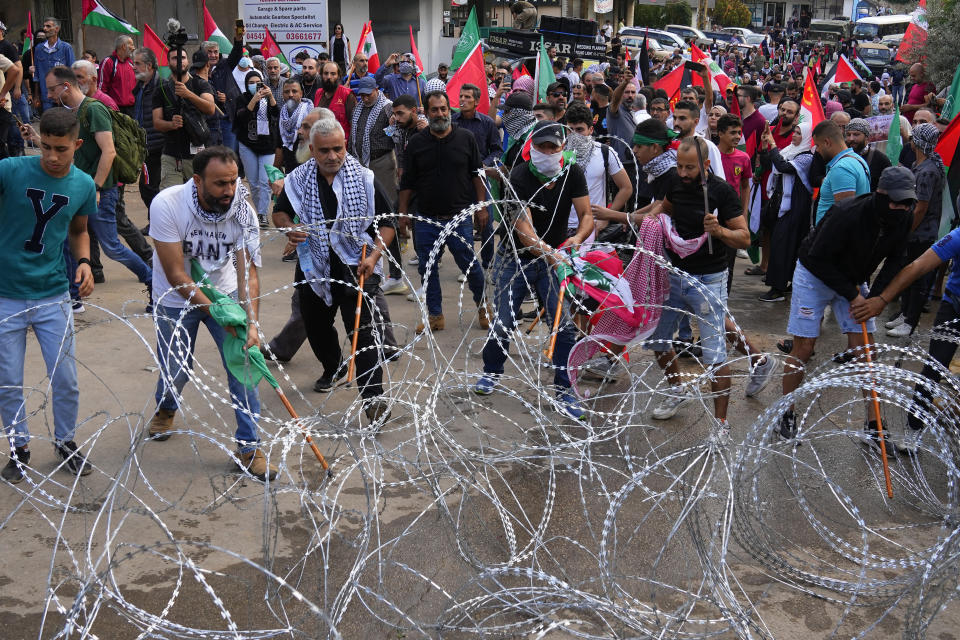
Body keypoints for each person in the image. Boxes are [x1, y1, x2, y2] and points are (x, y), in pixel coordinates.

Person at [146, 146, 276, 481]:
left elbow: (249, 273)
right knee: (176, 368)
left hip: (225, 291)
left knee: (244, 363)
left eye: (233, 182)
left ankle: (249, 448)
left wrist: (250, 324)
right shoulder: (168, 204)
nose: (229, 191)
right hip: (176, 298)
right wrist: (218, 312)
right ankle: (167, 405)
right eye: (220, 184)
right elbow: (176, 274)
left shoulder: (242, 212)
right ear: (197, 180)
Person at [778, 167, 916, 449]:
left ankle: (874, 425)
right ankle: (785, 413)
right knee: (804, 347)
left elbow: (895, 261)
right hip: (814, 274)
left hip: (853, 280)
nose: (901, 208)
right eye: (896, 202)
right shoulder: (847, 214)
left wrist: (877, 299)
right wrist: (853, 296)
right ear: (880, 194)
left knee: (866, 350)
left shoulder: (903, 217)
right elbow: (818, 259)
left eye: (907, 202)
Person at [271, 118, 392, 423]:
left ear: (344, 146)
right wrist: (290, 228)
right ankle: (334, 364)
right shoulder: (299, 178)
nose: (332, 156)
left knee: (363, 334)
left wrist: (374, 256)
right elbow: (279, 212)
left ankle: (374, 398)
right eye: (324, 150)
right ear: (312, 150)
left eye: (338, 149)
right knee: (315, 326)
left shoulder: (363, 178)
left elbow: (388, 224)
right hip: (314, 266)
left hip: (356, 265)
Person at [0, 108, 97, 484]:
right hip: (6, 292)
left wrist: (85, 261)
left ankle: (66, 440)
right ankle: (19, 447)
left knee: (66, 377)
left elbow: (79, 230)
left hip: (52, 293)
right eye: (46, 148)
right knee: (8, 379)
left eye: (61, 149)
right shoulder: (10, 170)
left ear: (77, 145)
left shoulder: (83, 184)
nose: (53, 157)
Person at [474, 121, 591, 419]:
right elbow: (524, 230)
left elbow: (587, 214)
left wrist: (575, 241)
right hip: (515, 257)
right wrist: (553, 255)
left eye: (553, 147)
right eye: (542, 147)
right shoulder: (520, 176)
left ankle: (565, 390)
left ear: (562, 148)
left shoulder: (572, 174)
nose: (548, 152)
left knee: (563, 326)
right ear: (532, 148)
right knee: (503, 320)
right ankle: (492, 370)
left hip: (556, 259)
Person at [644, 137, 751, 445]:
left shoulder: (721, 192)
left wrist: (719, 231)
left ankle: (721, 424)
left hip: (709, 278)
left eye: (690, 167)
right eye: (679, 166)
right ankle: (678, 390)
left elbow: (744, 239)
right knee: (659, 341)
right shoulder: (675, 184)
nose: (684, 172)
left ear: (705, 165)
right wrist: (648, 222)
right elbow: (662, 209)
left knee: (715, 354)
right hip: (674, 275)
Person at [46, 66, 153, 298]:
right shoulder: (73, 111)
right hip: (80, 189)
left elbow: (109, 151)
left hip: (100, 191)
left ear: (66, 86)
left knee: (112, 247)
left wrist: (95, 187)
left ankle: (152, 279)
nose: (48, 95)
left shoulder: (94, 109)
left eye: (52, 89)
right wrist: (35, 138)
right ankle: (72, 293)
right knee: (67, 239)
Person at [398, 91, 490, 333]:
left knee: (470, 266)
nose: (439, 114)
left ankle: (483, 308)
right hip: (426, 218)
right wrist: (403, 212)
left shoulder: (466, 138)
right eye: (434, 110)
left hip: (459, 218)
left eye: (443, 109)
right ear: (426, 113)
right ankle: (435, 315)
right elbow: (407, 181)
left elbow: (477, 175)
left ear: (450, 110)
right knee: (427, 270)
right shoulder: (416, 143)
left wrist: (481, 207)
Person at [885, 123, 945, 338]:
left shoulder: (928, 171)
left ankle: (910, 322)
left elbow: (921, 207)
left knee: (917, 278)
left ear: (916, 143)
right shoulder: (921, 165)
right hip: (917, 231)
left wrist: (907, 230)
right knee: (907, 274)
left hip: (921, 233)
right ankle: (905, 313)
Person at [757, 121, 813, 302]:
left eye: (798, 133)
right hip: (782, 205)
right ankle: (782, 284)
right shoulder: (789, 150)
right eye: (794, 132)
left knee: (783, 246)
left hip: (796, 208)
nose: (795, 135)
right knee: (782, 245)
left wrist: (773, 144)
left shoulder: (806, 157)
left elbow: (783, 167)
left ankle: (777, 289)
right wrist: (765, 145)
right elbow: (770, 163)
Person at [153, 47, 217, 189]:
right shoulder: (161, 89)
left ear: (188, 61)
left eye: (182, 58)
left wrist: (188, 94)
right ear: (168, 62)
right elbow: (157, 122)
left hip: (197, 155)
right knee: (170, 198)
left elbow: (210, 108)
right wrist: (171, 124)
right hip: (171, 155)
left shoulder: (200, 84)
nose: (179, 61)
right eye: (175, 58)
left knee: (201, 198)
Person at [234, 70, 279, 227]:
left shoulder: (268, 99)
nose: (254, 86)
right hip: (248, 145)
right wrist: (254, 100)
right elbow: (241, 118)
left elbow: (277, 113)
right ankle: (259, 210)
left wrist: (271, 97)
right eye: (251, 83)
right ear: (246, 85)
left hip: (267, 146)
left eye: (257, 82)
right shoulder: (242, 99)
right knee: (253, 182)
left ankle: (262, 213)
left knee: (264, 182)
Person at [813, 119, 870, 224]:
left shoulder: (842, 168)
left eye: (817, 145)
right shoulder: (856, 158)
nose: (817, 150)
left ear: (827, 142)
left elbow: (844, 215)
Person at [350, 77, 394, 203]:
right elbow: (354, 135)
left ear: (376, 90)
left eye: (368, 95)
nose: (365, 99)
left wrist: (392, 126)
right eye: (362, 95)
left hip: (382, 162)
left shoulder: (388, 107)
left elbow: (395, 133)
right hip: (361, 162)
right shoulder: (358, 108)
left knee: (386, 198)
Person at [203, 29, 245, 153]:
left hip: (226, 120)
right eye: (209, 52)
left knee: (228, 156)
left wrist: (238, 39)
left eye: (216, 52)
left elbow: (237, 54)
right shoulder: (195, 72)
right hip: (207, 122)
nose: (213, 55)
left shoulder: (224, 66)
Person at [133, 47, 164, 211]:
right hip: (143, 145)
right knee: (147, 187)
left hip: (157, 146)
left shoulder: (161, 86)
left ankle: (157, 221)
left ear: (149, 65)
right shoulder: (140, 87)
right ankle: (155, 219)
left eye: (138, 63)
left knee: (150, 187)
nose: (134, 67)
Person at [33, 18, 74, 111]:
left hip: (63, 96)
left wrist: (71, 94)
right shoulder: (39, 49)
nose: (45, 29)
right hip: (46, 96)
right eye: (44, 26)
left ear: (57, 29)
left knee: (64, 123)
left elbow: (72, 72)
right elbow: (36, 75)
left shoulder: (66, 48)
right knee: (50, 123)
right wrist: (36, 95)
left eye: (48, 26)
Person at [276, 79, 313, 173]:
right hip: (289, 168)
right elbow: (280, 145)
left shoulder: (310, 114)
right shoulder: (282, 115)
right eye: (287, 92)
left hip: (307, 168)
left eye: (294, 91)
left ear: (301, 94)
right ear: (282, 95)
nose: (290, 95)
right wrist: (275, 169)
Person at [845, 118, 891, 193]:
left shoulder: (880, 159)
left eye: (856, 134)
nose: (851, 138)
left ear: (867, 137)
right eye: (848, 134)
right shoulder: (843, 157)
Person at [314, 61, 356, 142]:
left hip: (340, 144)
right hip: (321, 143)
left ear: (339, 76)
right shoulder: (318, 93)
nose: (329, 77)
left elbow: (355, 126)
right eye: (326, 73)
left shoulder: (347, 95)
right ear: (321, 75)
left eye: (333, 74)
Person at [97, 35, 136, 117]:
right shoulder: (108, 62)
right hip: (115, 110)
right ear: (124, 46)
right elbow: (101, 89)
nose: (134, 48)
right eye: (131, 45)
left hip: (132, 110)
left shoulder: (131, 63)